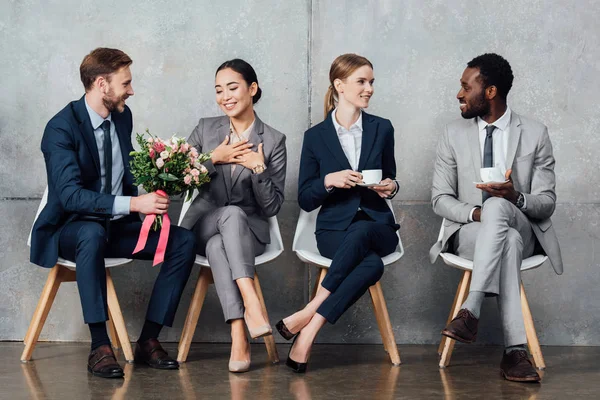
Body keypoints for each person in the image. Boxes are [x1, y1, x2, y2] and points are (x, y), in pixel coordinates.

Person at [30, 48, 197, 378]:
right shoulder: (61, 128)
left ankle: (148, 340)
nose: (131, 91)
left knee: (184, 240)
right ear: (101, 83)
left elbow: (125, 168)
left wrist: (163, 177)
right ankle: (99, 347)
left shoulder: (122, 115)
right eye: (126, 83)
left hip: (117, 228)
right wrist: (136, 204)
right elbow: (71, 196)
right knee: (91, 233)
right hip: (71, 228)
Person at [430, 53, 563, 383]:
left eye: (465, 87)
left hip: (521, 223)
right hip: (472, 232)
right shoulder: (452, 134)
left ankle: (471, 307)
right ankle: (515, 353)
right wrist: (477, 212)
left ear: (490, 91)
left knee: (502, 208)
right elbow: (440, 199)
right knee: (505, 235)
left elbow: (546, 203)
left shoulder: (534, 133)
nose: (459, 94)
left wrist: (514, 196)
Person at [277, 53, 400, 373]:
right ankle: (308, 335)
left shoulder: (383, 128)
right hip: (333, 230)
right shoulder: (315, 137)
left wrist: (391, 187)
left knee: (362, 233)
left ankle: (309, 313)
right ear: (339, 85)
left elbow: (391, 177)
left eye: (372, 82)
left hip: (377, 224)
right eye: (362, 81)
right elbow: (305, 198)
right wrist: (329, 181)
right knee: (371, 265)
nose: (369, 88)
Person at [180, 59, 287, 373]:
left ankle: (239, 332)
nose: (224, 96)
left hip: (247, 233)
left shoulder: (275, 140)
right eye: (218, 90)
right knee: (227, 216)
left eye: (232, 87)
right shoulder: (204, 129)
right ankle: (251, 301)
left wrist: (258, 169)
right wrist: (214, 158)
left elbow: (271, 208)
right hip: (203, 223)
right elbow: (177, 178)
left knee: (219, 245)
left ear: (252, 89)